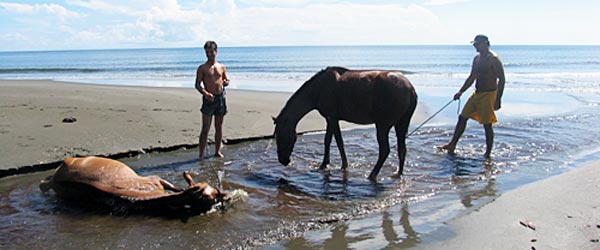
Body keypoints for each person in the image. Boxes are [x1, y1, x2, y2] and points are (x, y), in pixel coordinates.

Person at [438, 35, 505, 158]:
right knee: (462, 117)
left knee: (487, 124)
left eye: (477, 44)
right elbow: (472, 76)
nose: (475, 46)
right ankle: (452, 144)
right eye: (474, 44)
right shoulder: (477, 59)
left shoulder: (494, 59)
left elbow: (502, 79)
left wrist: (498, 99)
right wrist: (461, 91)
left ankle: (488, 153)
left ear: (485, 43)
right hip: (477, 93)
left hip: (489, 94)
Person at [195, 41, 230, 159]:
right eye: (207, 52)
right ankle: (201, 154)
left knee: (219, 127)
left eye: (211, 52)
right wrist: (205, 93)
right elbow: (197, 85)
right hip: (209, 99)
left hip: (220, 98)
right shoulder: (202, 68)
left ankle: (217, 151)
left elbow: (226, 80)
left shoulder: (221, 67)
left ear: (216, 52)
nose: (209, 54)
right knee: (205, 128)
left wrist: (226, 82)